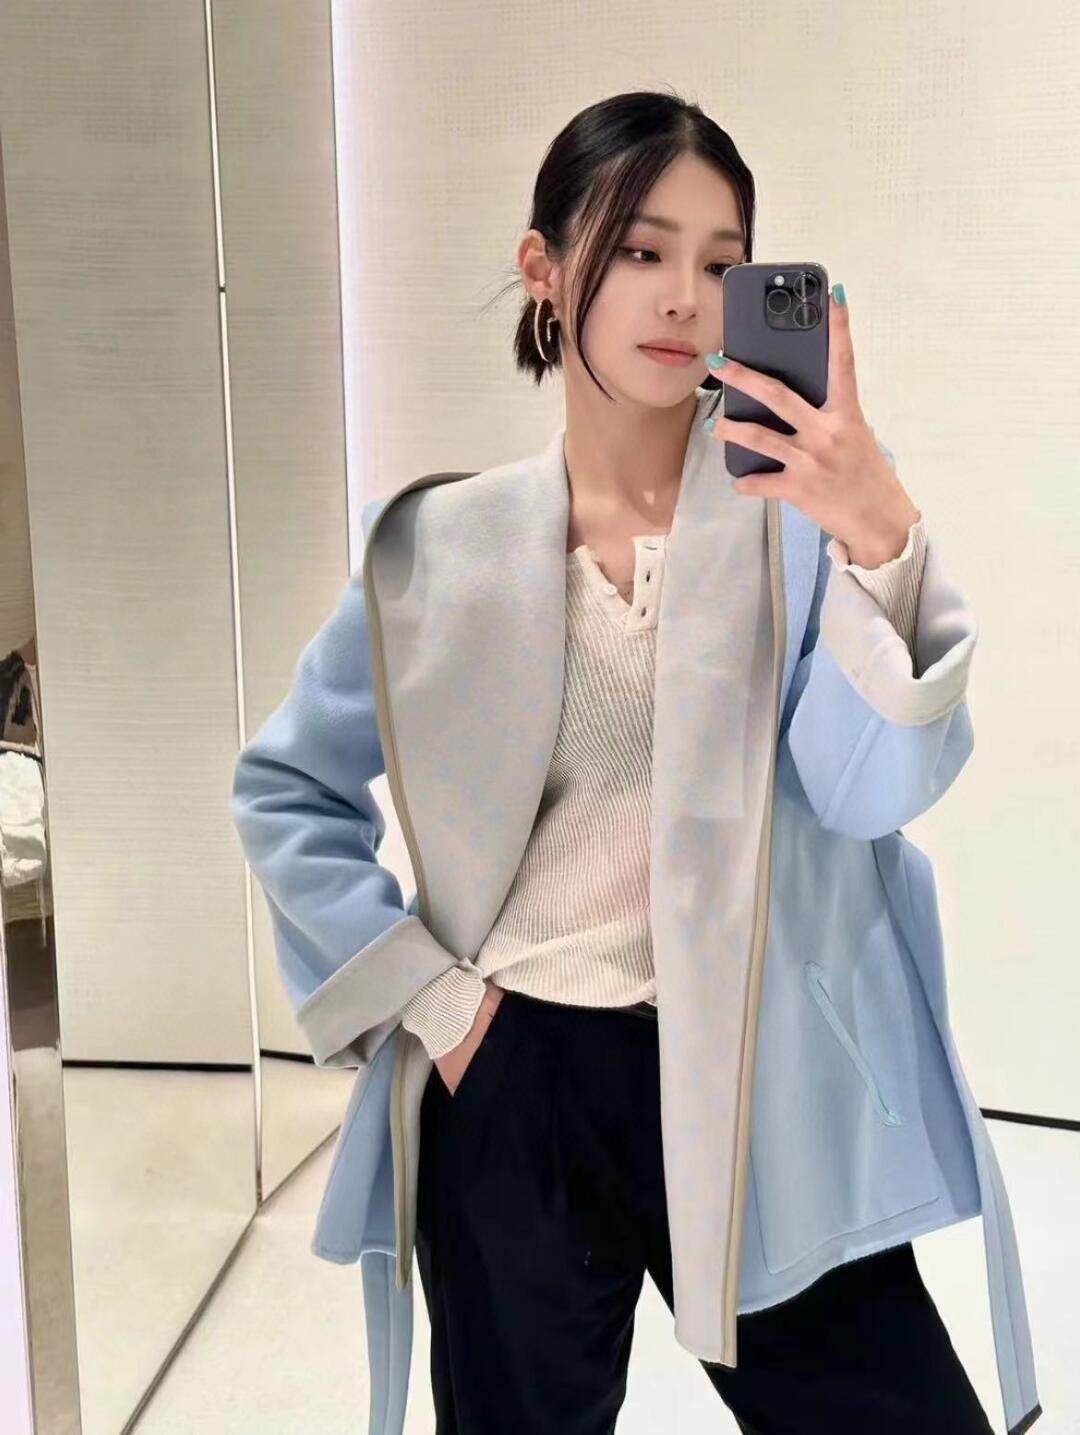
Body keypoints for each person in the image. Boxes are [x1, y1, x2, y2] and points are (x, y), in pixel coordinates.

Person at [231, 88, 1041, 1435]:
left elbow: (870, 793)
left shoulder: (797, 528)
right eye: (641, 249)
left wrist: (878, 535)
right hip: (516, 1080)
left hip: (761, 1076)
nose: (683, 297)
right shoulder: (439, 548)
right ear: (546, 270)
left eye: (723, 264)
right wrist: (441, 1010)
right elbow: (288, 790)